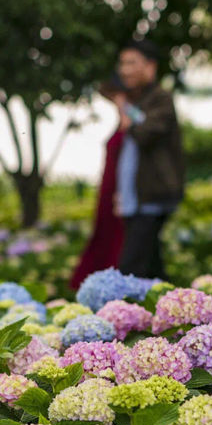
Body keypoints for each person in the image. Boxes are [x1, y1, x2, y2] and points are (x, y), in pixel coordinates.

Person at [115, 38, 184, 279]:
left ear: (150, 66)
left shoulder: (160, 98)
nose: (124, 70)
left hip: (153, 198)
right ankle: (175, 312)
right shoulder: (138, 100)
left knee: (130, 268)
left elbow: (147, 133)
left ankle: (118, 314)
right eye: (122, 63)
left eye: (131, 63)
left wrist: (128, 117)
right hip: (135, 200)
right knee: (151, 271)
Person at [69, 74, 128, 290]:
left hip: (118, 189)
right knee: (104, 233)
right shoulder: (122, 115)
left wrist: (123, 103)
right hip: (108, 187)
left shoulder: (131, 115)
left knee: (114, 237)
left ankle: (110, 285)